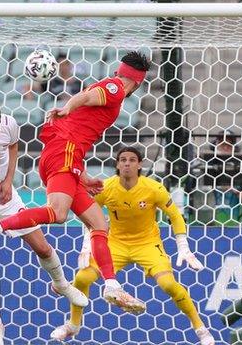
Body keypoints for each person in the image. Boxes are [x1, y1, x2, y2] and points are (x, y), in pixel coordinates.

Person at [0, 51, 151, 314]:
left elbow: (84, 118)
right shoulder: (115, 87)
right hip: (64, 152)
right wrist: (69, 105)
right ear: (138, 81)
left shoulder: (112, 88)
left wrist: (82, 177)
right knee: (58, 214)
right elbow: (86, 97)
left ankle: (112, 285)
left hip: (68, 157)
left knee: (99, 223)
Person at [0, 101, 87, 345]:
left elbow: (12, 147)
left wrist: (9, 180)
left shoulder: (10, 124)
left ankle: (62, 284)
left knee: (41, 246)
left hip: (7, 198)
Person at [50, 146, 215, 345]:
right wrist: (87, 245)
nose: (127, 163)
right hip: (115, 244)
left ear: (140, 164)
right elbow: (89, 216)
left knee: (169, 285)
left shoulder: (154, 188)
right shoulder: (106, 188)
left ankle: (201, 329)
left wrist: (183, 246)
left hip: (147, 244)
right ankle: (73, 325)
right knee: (82, 278)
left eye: (132, 160)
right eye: (123, 160)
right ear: (117, 164)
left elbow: (175, 216)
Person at [206, 130, 242, 226]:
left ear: (234, 149)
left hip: (236, 228)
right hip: (205, 227)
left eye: (229, 145)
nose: (225, 148)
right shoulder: (204, 167)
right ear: (215, 146)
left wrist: (233, 190)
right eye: (222, 144)